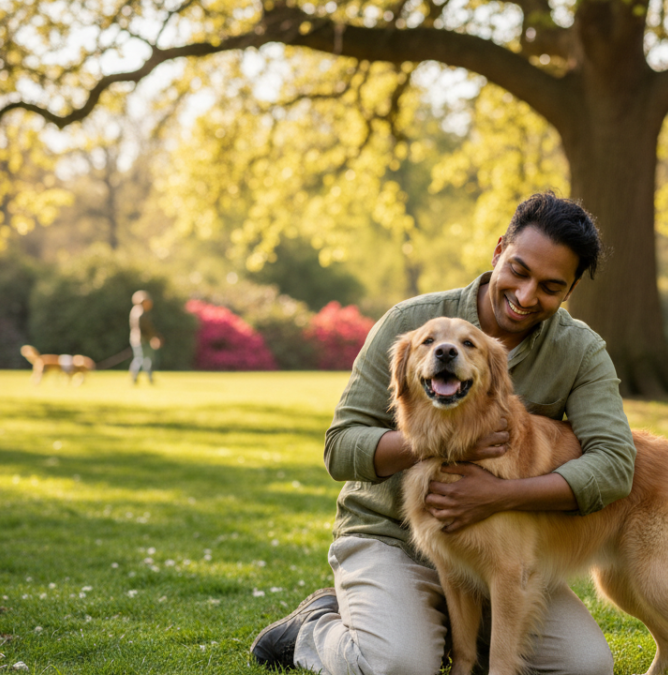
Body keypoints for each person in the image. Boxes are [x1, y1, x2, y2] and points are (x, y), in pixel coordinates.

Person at [249, 193, 635, 675]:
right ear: (499, 250)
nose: (526, 295)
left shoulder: (579, 351)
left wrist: (500, 495)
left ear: (570, 289)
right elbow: (340, 448)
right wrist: (438, 443)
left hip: (500, 549)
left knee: (585, 667)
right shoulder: (410, 323)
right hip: (391, 537)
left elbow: (614, 464)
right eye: (518, 271)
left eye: (550, 286)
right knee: (400, 665)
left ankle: (451, 638)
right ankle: (315, 626)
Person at [129, 290, 162, 384]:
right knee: (141, 359)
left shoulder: (139, 311)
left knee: (145, 359)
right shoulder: (140, 312)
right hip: (142, 340)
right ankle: (136, 378)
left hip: (141, 339)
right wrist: (153, 338)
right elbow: (144, 328)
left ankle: (148, 378)